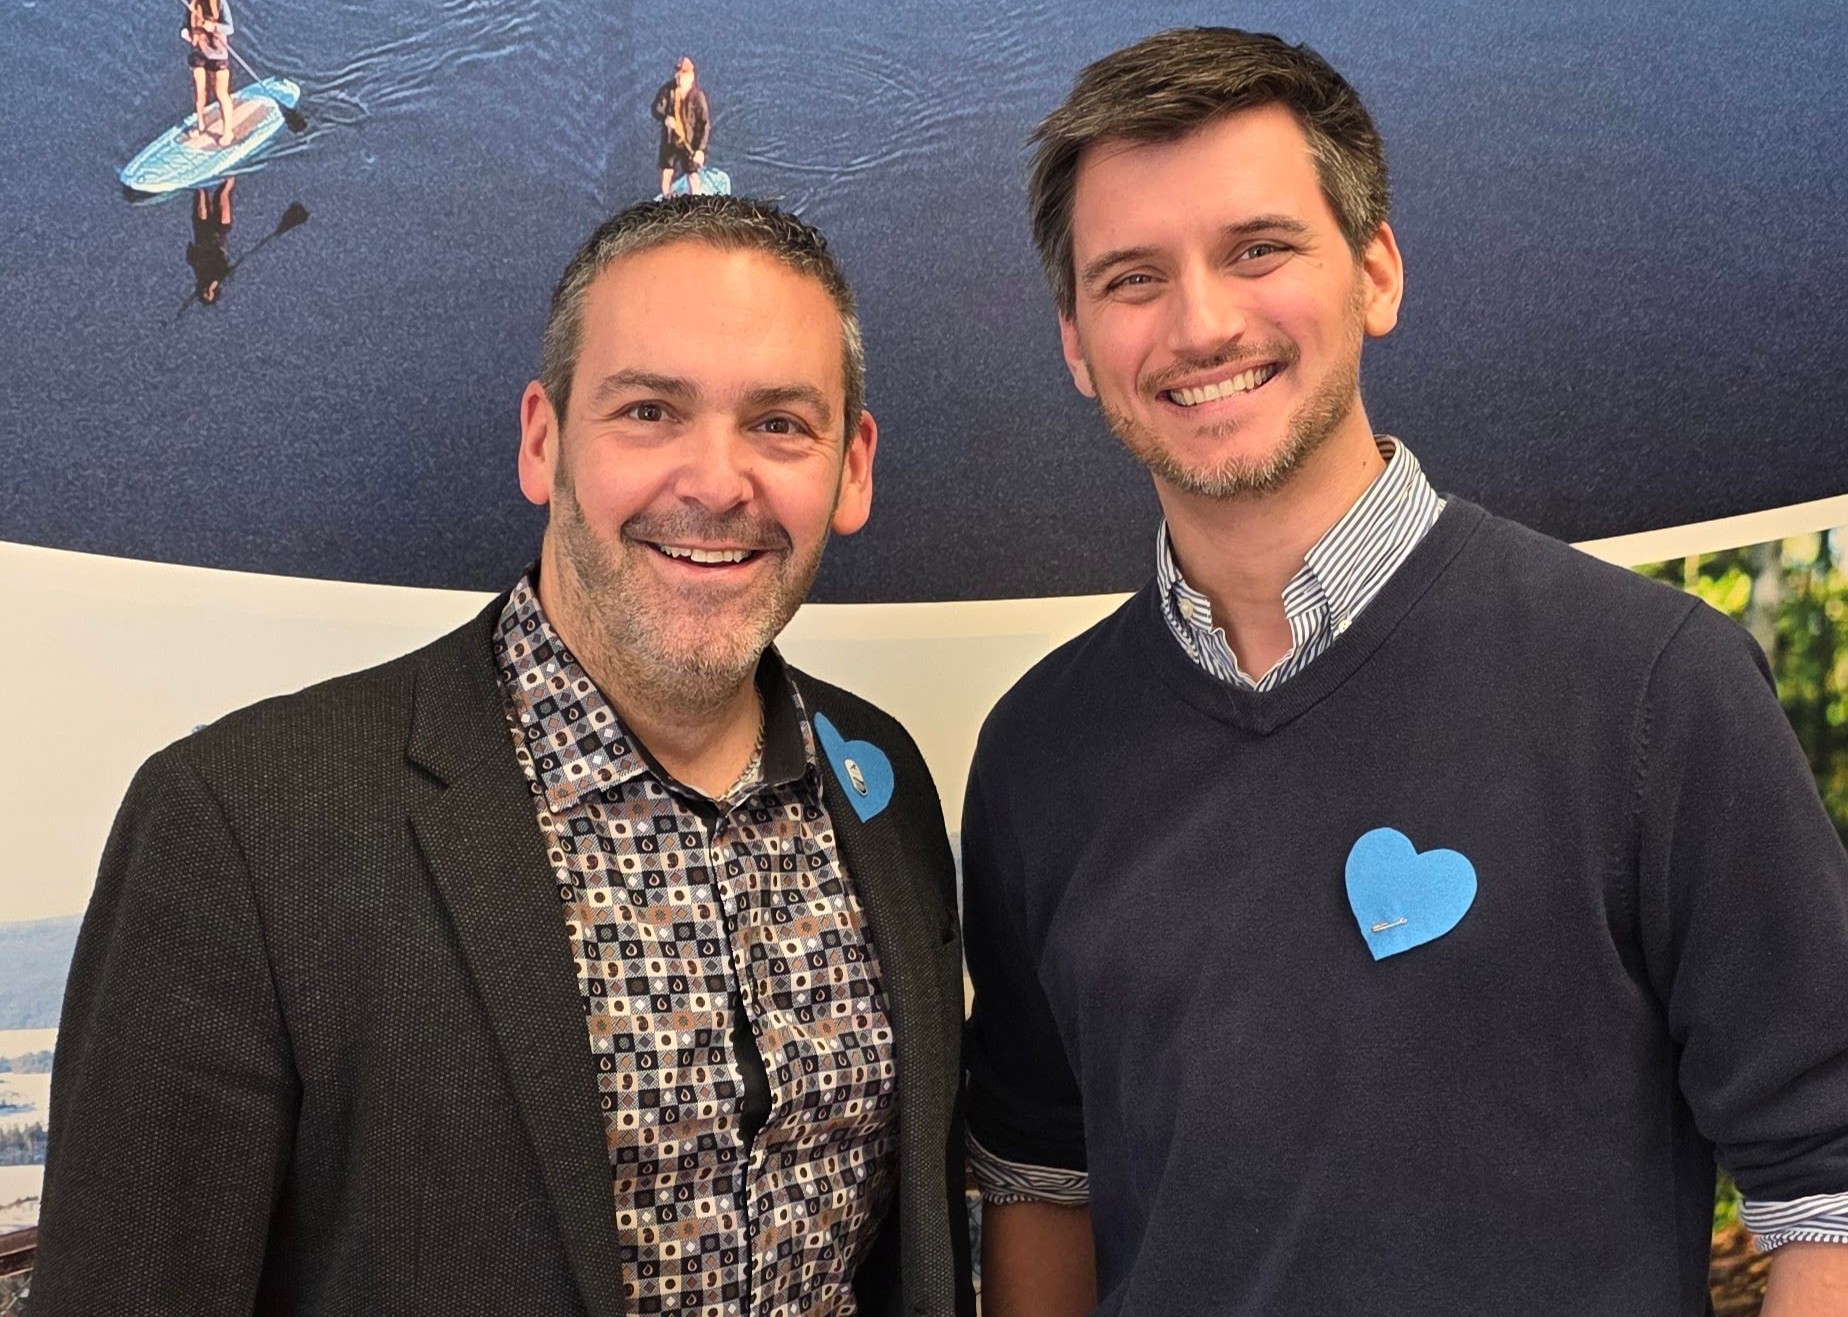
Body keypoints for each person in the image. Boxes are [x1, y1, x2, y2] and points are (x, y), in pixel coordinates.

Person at [961, 26, 1848, 1317]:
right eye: (1133, 277)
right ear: (1076, 343)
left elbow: (1828, 1188)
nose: (1202, 323)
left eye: (1259, 250)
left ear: (1376, 272)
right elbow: (1043, 1183)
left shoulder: (1655, 687)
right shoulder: (1038, 752)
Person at [31, 195, 974, 1317]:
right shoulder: (242, 827)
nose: (717, 481)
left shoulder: (879, 783)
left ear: (851, 468)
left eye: (779, 424)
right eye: (649, 411)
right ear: (543, 439)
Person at [654, 56, 711, 198]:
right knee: (666, 172)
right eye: (678, 75)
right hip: (670, 141)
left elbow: (705, 124)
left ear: (691, 77)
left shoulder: (698, 97)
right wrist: (665, 118)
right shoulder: (668, 91)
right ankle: (666, 199)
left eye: (683, 76)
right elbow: (655, 108)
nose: (679, 79)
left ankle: (696, 201)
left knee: (692, 174)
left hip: (689, 143)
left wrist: (700, 149)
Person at [182, 0, 236, 147]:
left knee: (221, 93)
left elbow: (230, 28)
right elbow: (186, 24)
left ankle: (228, 132)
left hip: (217, 54)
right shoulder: (192, 3)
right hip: (199, 52)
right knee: (199, 91)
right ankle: (200, 125)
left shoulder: (220, 3)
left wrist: (213, 26)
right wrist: (185, 32)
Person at [186, 175, 234, 304]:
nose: (207, 290)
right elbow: (223, 262)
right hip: (220, 230)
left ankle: (198, 173)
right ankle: (231, 171)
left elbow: (191, 255)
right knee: (223, 193)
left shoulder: (200, 272)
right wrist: (212, 285)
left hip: (203, 231)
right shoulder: (221, 275)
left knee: (201, 191)